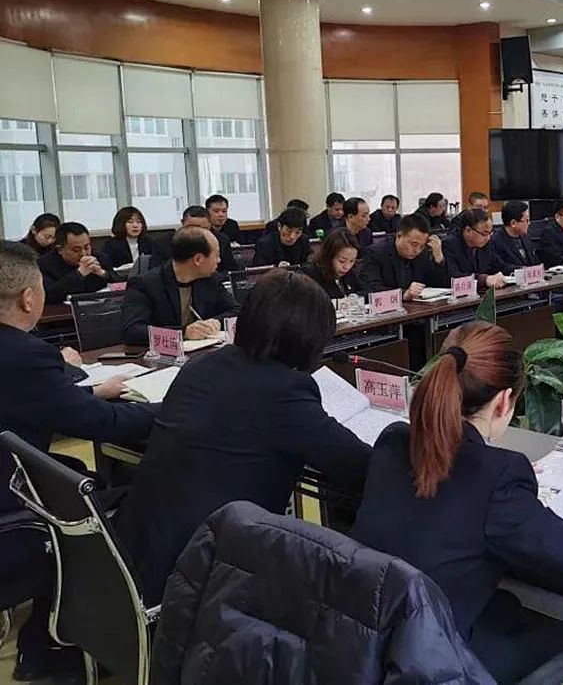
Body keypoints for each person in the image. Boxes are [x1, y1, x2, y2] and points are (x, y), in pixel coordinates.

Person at [352, 321, 563, 683]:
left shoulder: (394, 441)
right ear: (505, 400)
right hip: (437, 663)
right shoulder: (497, 477)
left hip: (367, 646)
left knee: (509, 608)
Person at [114, 270, 373, 606]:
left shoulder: (202, 365)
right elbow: (356, 464)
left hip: (135, 553)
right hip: (206, 573)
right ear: (308, 338)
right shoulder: (285, 391)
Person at [0, 241, 156, 681]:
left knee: (83, 476)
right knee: (110, 503)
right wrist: (176, 405)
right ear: (29, 298)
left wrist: (83, 392)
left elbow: (26, 400)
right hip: (11, 503)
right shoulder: (25, 355)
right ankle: (53, 640)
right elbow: (102, 424)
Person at [121, 227, 239, 345]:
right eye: (216, 255)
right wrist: (184, 332)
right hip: (162, 353)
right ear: (198, 259)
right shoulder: (144, 284)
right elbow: (133, 331)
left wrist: (215, 322)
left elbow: (236, 310)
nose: (219, 260)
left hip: (205, 349)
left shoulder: (210, 279)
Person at [357, 214, 449, 299]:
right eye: (414, 244)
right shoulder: (375, 253)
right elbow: (372, 289)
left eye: (422, 246)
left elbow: (440, 286)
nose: (417, 250)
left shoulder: (423, 253)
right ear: (399, 235)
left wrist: (439, 259)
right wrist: (404, 294)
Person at [38, 221, 117, 304]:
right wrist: (79, 274)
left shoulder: (99, 257)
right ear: (60, 249)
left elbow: (118, 280)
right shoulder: (44, 264)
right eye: (76, 250)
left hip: (100, 306)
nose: (83, 254)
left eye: (87, 247)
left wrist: (103, 273)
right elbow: (48, 295)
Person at [156, 205, 239, 274]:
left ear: (210, 225)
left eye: (203, 229)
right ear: (182, 223)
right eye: (191, 228)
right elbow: (157, 272)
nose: (196, 233)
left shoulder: (221, 240)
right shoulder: (162, 242)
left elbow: (231, 270)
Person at [441, 209, 510, 289]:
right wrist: (484, 279)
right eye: (484, 234)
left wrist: (519, 270)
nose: (488, 238)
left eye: (490, 233)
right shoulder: (449, 245)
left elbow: (501, 266)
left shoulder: (485, 244)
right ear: (468, 230)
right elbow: (453, 276)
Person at [299, 229, 364, 299]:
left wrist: (356, 296)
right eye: (342, 261)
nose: (347, 267)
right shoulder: (310, 275)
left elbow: (367, 290)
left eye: (352, 261)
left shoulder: (349, 273)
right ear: (329, 256)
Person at [492, 200, 538, 268]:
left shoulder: (526, 235)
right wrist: (521, 269)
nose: (529, 223)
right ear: (513, 223)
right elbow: (501, 267)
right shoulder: (496, 241)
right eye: (526, 220)